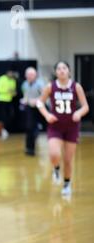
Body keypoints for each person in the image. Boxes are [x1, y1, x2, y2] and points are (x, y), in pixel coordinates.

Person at [36, 61, 89, 196]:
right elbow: (39, 102)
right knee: (54, 154)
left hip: (72, 127)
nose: (61, 70)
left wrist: (78, 112)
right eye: (58, 69)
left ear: (69, 71)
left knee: (68, 159)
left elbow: (85, 107)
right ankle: (56, 168)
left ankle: (66, 183)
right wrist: (47, 114)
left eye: (64, 68)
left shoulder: (76, 87)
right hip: (55, 126)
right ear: (56, 72)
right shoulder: (50, 87)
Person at [21, 67, 44, 156]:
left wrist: (36, 100)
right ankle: (29, 148)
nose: (30, 76)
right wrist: (25, 100)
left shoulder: (40, 84)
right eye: (28, 75)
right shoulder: (24, 84)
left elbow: (44, 96)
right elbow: (26, 95)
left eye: (32, 74)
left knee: (35, 127)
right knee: (29, 127)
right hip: (30, 108)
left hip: (40, 107)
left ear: (35, 75)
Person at [0, 69, 17, 139]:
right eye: (10, 73)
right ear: (7, 73)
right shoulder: (1, 79)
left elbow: (13, 91)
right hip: (1, 100)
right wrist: (6, 91)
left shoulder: (13, 80)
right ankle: (2, 130)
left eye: (12, 73)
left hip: (9, 100)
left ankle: (6, 130)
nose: (11, 74)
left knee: (10, 116)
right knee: (2, 117)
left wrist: (13, 93)